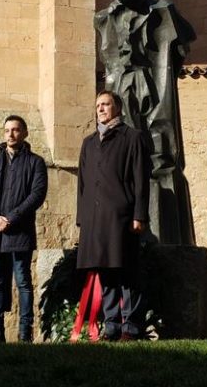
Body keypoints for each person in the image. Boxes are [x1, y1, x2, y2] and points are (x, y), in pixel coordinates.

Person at [94, 0, 196, 245]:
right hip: (121, 79)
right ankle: (130, 176)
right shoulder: (105, 17)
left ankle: (156, 174)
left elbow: (187, 38)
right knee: (125, 131)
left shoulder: (161, 10)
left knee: (157, 131)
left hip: (149, 77)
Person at [76, 90, 151, 341]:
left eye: (106, 104)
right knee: (105, 271)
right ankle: (111, 325)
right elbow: (83, 185)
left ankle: (130, 326)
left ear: (117, 108)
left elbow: (141, 180)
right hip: (95, 219)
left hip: (122, 216)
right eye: (98, 105)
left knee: (127, 271)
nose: (101, 109)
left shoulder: (132, 137)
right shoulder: (89, 142)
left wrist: (139, 215)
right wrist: (82, 218)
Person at [0, 115, 47, 343]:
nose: (11, 134)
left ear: (25, 133)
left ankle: (25, 332)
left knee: (23, 282)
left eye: (16, 130)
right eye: (7, 130)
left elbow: (36, 195)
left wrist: (11, 218)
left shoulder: (35, 162)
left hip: (20, 232)